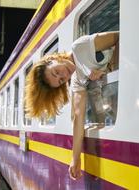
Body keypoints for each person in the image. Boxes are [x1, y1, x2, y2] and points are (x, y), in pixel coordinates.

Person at [24, 31, 119, 180]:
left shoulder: (80, 46)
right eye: (61, 80)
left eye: (56, 71)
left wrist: (109, 68)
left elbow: (121, 36)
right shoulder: (77, 80)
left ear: (52, 59)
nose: (63, 75)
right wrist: (75, 159)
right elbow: (78, 117)